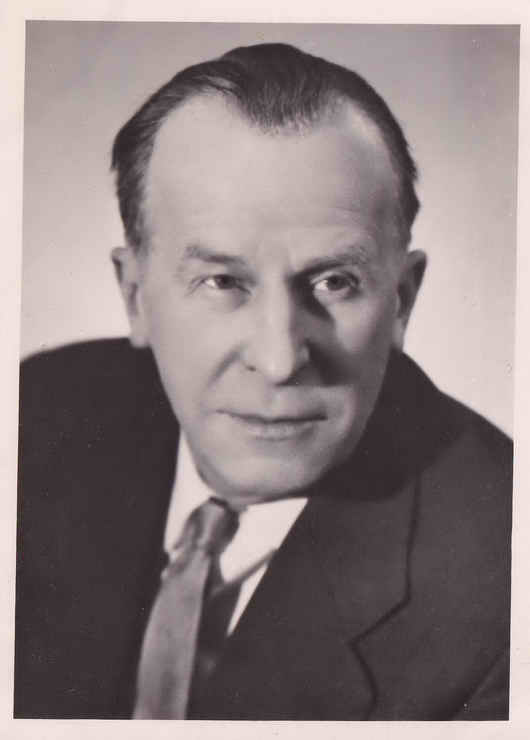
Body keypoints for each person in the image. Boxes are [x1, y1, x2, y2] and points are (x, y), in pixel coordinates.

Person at [15, 42, 512, 720]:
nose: (280, 360)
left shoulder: (505, 594)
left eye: (334, 282)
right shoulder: (33, 419)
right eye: (223, 281)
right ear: (135, 295)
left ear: (402, 300)